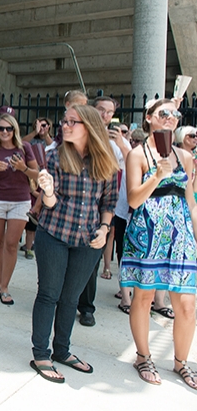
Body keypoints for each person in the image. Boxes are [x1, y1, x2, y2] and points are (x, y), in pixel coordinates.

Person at [30, 104, 118, 384]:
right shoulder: (54, 156)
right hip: (54, 234)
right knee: (49, 295)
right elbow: (50, 205)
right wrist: (48, 191)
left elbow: (108, 203)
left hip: (89, 240)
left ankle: (62, 351)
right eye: (64, 122)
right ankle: (41, 353)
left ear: (89, 126)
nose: (65, 126)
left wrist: (104, 230)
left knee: (71, 299)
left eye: (72, 122)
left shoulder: (105, 162)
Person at [120, 99, 197, 389]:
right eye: (164, 113)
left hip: (180, 238)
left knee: (187, 305)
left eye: (175, 115)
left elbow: (190, 203)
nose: (171, 119)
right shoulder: (137, 155)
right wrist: (157, 174)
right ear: (149, 118)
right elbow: (134, 199)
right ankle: (143, 356)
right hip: (148, 234)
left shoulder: (186, 157)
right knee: (144, 297)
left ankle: (181, 362)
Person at [77, 96, 128, 327]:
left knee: (91, 260)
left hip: (101, 206)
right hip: (77, 204)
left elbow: (123, 170)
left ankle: (87, 307)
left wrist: (121, 145)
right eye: (101, 110)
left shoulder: (115, 144)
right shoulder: (78, 133)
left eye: (110, 112)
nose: (106, 115)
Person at [0, 113, 38, 306]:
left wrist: (22, 167)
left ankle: (5, 286)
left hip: (19, 201)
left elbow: (38, 175)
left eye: (8, 128)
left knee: (12, 244)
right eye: (1, 128)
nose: (5, 132)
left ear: (14, 130)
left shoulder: (25, 148)